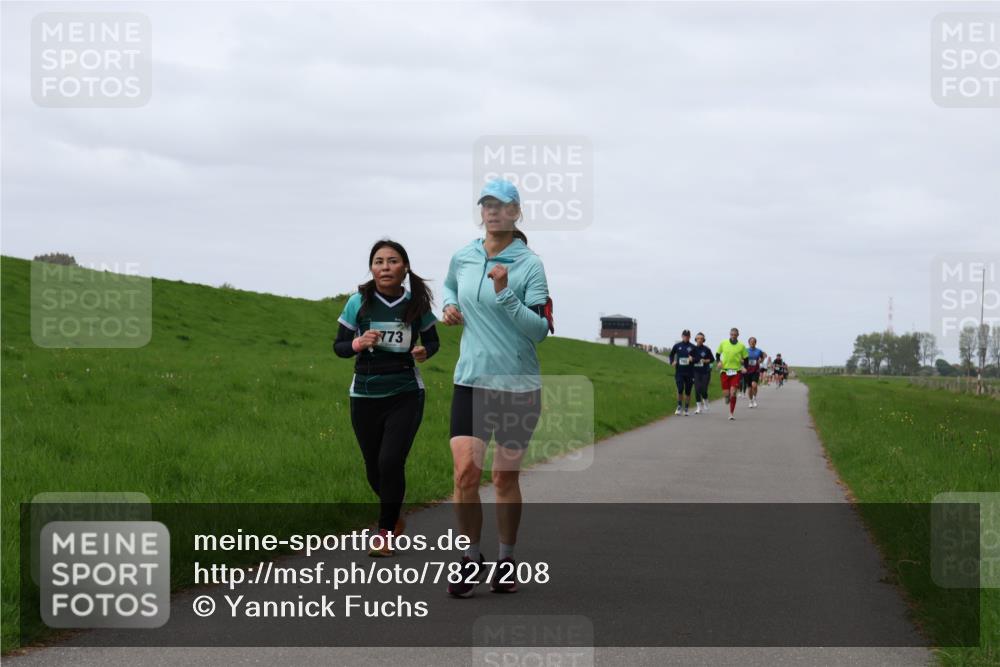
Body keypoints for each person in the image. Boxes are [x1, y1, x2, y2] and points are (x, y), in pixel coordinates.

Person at [441, 178, 553, 597]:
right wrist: (449, 305)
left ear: (516, 213)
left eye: (501, 205)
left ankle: (506, 560)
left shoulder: (530, 265)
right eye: (486, 204)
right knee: (465, 472)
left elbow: (540, 330)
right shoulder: (464, 255)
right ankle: (470, 557)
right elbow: (451, 285)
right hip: (470, 380)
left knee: (504, 478)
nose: (492, 211)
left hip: (517, 386)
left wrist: (506, 293)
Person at [334, 240, 440, 557]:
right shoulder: (358, 303)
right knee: (373, 467)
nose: (385, 267)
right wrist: (357, 343)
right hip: (364, 393)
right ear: (372, 268)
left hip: (405, 392)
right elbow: (338, 347)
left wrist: (424, 351)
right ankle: (394, 516)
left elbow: (433, 342)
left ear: (404, 267)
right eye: (378, 261)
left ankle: (383, 534)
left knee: (390, 461)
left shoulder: (416, 305)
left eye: (392, 261)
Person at [716, 327, 748, 420]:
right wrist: (718, 361)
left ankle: (731, 413)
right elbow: (718, 354)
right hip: (725, 371)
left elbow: (746, 358)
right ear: (729, 334)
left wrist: (744, 367)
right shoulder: (723, 343)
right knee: (726, 394)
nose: (733, 336)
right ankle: (727, 397)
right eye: (732, 334)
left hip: (736, 371)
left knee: (733, 393)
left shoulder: (741, 346)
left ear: (738, 335)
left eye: (735, 335)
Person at [668, 330, 697, 415]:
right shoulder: (677, 346)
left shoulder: (693, 347)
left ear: (690, 337)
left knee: (688, 391)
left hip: (690, 372)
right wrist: (672, 361)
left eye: (687, 336)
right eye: (684, 336)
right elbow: (671, 354)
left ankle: (686, 408)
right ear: (682, 336)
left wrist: (693, 359)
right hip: (679, 372)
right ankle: (679, 406)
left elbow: (697, 358)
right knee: (680, 389)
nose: (686, 337)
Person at [691, 332, 714, 414]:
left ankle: (705, 400)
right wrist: (691, 359)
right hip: (696, 372)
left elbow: (712, 360)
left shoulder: (707, 349)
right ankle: (698, 407)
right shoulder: (692, 349)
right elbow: (689, 358)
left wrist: (705, 360)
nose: (699, 340)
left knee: (704, 389)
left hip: (705, 372)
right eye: (698, 338)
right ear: (695, 339)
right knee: (697, 389)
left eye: (701, 339)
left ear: (703, 340)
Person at [744, 337, 768, 408]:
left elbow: (764, 356)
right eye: (751, 342)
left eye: (753, 342)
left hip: (756, 370)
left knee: (754, 385)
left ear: (755, 343)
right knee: (749, 388)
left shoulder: (759, 351)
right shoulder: (745, 350)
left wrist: (761, 360)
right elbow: (741, 358)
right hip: (747, 371)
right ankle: (750, 401)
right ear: (749, 343)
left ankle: (754, 399)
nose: (752, 343)